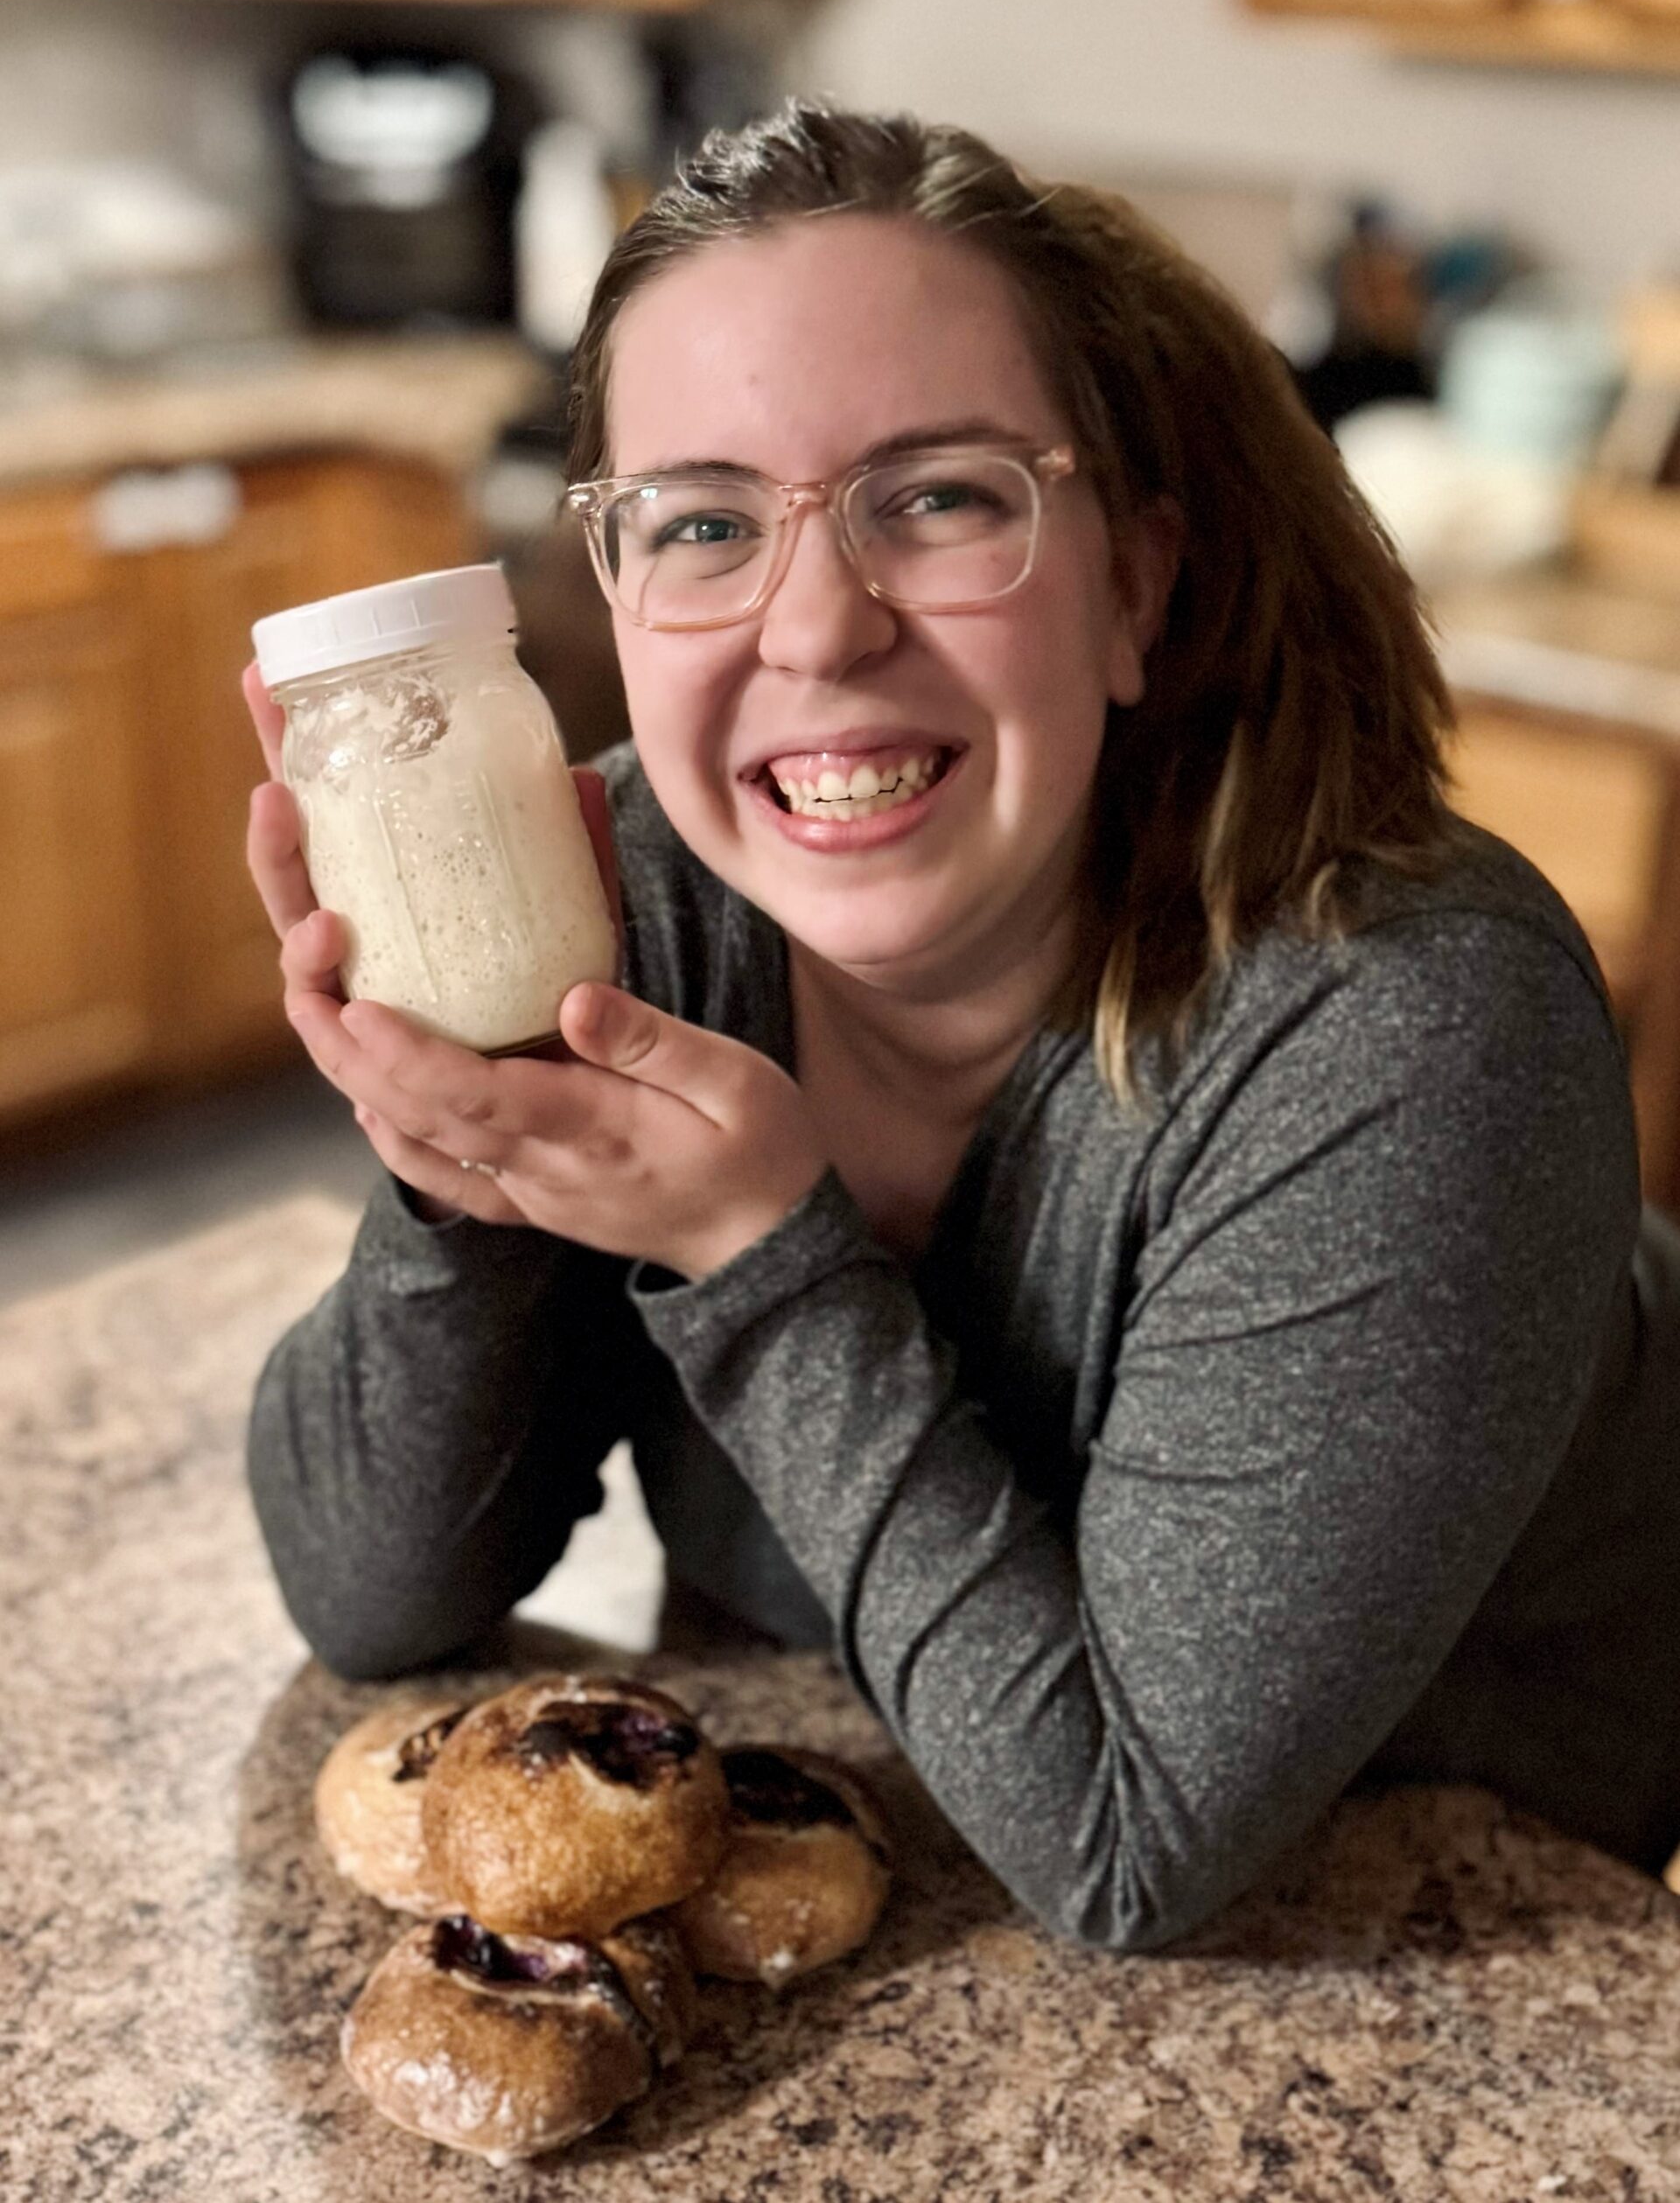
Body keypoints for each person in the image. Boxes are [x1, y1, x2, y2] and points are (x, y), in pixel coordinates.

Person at [244, 101, 1680, 1954]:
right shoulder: (637, 901)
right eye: (702, 521)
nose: (818, 628)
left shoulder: (1405, 1026)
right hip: (873, 1913)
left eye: (940, 498)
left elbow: (1125, 1851)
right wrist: (461, 1177)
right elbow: (369, 1599)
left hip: (1450, 1957)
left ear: (1132, 584)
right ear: (616, 596)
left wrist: (754, 1252)